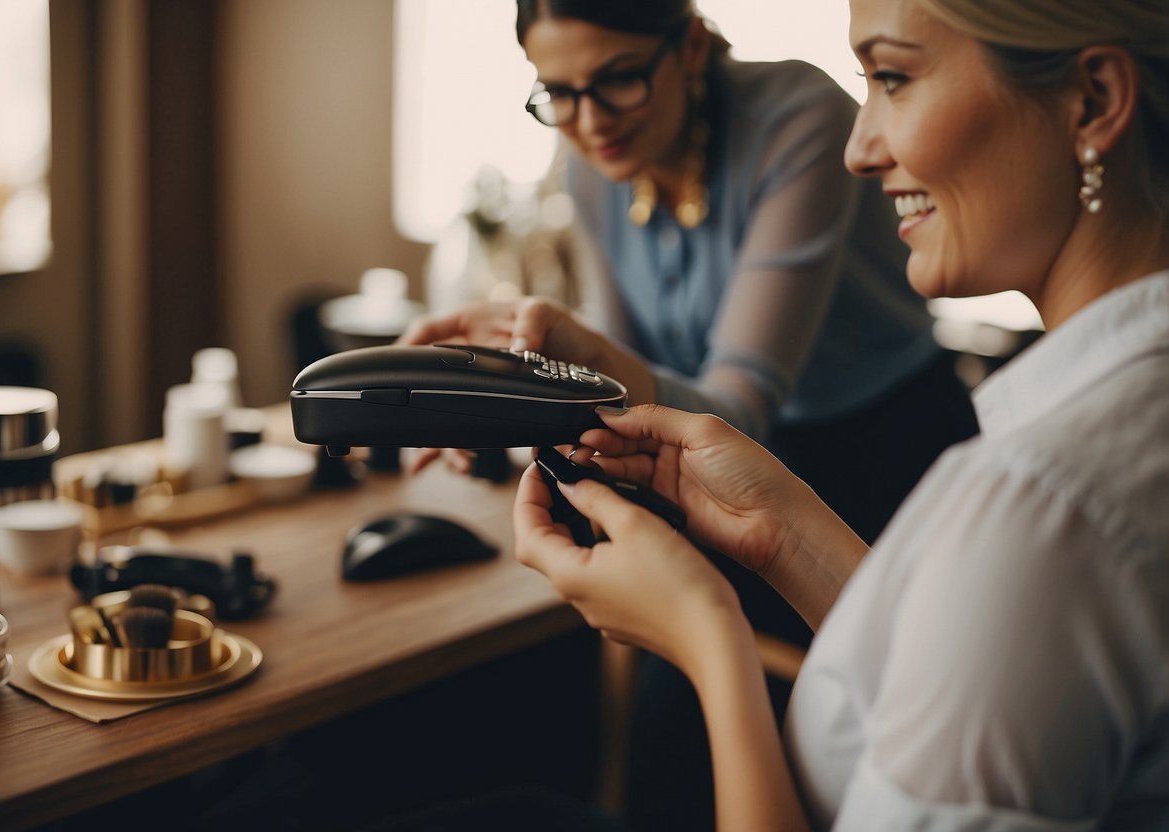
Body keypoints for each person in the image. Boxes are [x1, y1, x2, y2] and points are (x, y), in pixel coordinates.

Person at [513, 0, 1169, 828]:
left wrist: (706, 638)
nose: (858, 147)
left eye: (891, 78)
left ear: (1093, 100)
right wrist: (786, 536)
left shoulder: (1040, 505)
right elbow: (958, 673)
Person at [401, 4, 978, 825]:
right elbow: (621, 400)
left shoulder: (802, 119)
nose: (590, 123)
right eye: (558, 94)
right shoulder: (588, 169)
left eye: (619, 80)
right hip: (712, 457)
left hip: (887, 460)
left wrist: (586, 362)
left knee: (783, 724)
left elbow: (735, 406)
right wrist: (507, 387)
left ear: (693, 46)